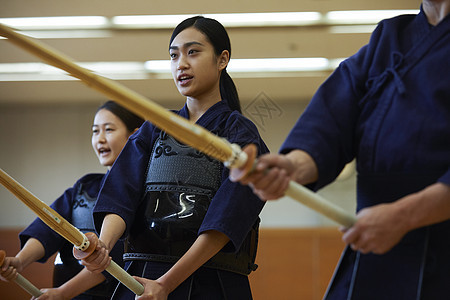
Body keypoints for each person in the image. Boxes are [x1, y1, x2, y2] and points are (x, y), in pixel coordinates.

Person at [232, 1, 450, 299]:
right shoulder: (389, 38)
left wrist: (403, 216)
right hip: (374, 245)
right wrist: (293, 167)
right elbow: (333, 119)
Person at [79, 16, 269, 300]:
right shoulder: (155, 126)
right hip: (141, 276)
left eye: (193, 52)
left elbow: (226, 219)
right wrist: (103, 245)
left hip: (210, 278)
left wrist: (167, 284)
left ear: (222, 59)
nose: (181, 64)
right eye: (174, 55)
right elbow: (121, 193)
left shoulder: (240, 134)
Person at [0, 101, 144, 300]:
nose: (100, 139)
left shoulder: (146, 194)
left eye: (108, 130)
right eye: (95, 131)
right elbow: (49, 226)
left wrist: (63, 293)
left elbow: (114, 256)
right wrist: (19, 261)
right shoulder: (85, 186)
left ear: (135, 135)